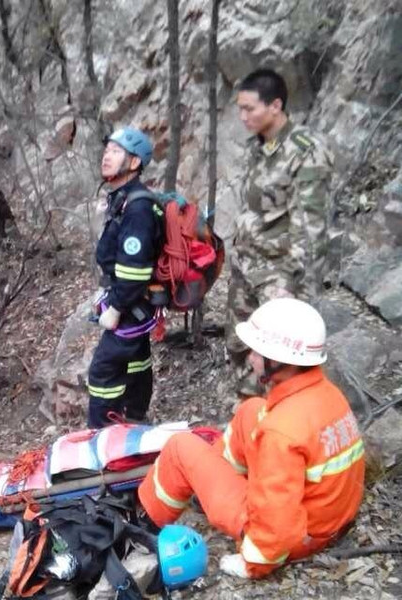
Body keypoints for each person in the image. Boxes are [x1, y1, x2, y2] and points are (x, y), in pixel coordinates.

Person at [137, 298, 365, 579]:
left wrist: (254, 562)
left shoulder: (281, 432)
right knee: (251, 409)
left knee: (179, 447)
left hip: (299, 537)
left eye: (258, 352)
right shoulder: (327, 394)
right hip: (328, 518)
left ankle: (144, 527)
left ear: (278, 361)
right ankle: (210, 486)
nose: (251, 358)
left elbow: (278, 519)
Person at [227, 68, 334, 396]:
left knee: (276, 362)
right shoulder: (257, 147)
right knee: (241, 347)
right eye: (240, 109)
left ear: (275, 106)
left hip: (280, 275)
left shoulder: (306, 150)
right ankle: (246, 413)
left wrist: (294, 290)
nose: (243, 116)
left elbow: (311, 230)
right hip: (246, 266)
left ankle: (276, 416)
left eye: (250, 109)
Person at [87, 126, 162, 428]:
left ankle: (101, 436)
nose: (106, 156)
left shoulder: (138, 207)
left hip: (131, 304)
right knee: (137, 362)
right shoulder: (122, 199)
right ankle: (136, 417)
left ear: (134, 162)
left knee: (103, 373)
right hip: (131, 301)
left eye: (116, 152)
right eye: (107, 151)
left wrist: (116, 308)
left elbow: (135, 270)